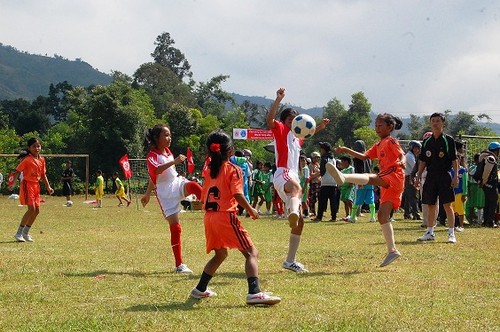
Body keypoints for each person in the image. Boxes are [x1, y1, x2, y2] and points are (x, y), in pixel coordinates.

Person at [190, 129, 281, 305]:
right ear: (231, 151)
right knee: (251, 253)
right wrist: (252, 209)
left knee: (220, 254)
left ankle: (200, 289)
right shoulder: (234, 169)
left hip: (209, 217)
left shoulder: (209, 170)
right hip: (225, 216)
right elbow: (238, 194)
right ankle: (254, 293)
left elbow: (203, 196)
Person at [326, 113, 405, 267]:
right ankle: (392, 250)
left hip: (394, 175)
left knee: (370, 177)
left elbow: (401, 155)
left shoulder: (391, 141)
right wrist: (346, 150)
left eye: (380, 125)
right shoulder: (378, 144)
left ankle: (343, 178)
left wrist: (402, 162)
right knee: (382, 215)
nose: (377, 128)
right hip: (388, 181)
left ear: (390, 127)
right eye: (375, 125)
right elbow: (364, 157)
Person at [266, 87, 329, 272]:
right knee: (296, 188)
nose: (293, 122)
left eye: (296, 120)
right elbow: (269, 120)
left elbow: (307, 134)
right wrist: (278, 99)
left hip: (293, 175)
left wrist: (320, 128)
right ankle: (291, 212)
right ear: (285, 121)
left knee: (300, 222)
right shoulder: (280, 129)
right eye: (290, 119)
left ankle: (290, 260)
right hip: (283, 173)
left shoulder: (296, 137)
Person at [141, 124, 203, 274]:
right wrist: (148, 193)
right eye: (166, 135)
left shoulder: (168, 151)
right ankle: (179, 265)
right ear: (157, 138)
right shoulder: (151, 156)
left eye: (170, 135)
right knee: (176, 228)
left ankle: (213, 209)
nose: (170, 138)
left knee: (194, 186)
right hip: (164, 193)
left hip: (176, 183)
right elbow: (155, 172)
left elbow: (164, 172)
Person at [415, 113, 459, 243]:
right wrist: (418, 176)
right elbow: (423, 161)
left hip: (444, 175)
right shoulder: (427, 141)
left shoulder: (448, 140)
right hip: (431, 176)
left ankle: (451, 233)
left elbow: (454, 159)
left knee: (447, 205)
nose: (435, 123)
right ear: (430, 123)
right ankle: (430, 232)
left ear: (443, 123)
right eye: (433, 121)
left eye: (438, 121)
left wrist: (455, 176)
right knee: (430, 205)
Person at [8, 137, 54, 242]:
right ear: (29, 148)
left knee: (37, 210)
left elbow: (43, 175)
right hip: (27, 184)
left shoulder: (42, 160)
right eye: (34, 146)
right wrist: (13, 184)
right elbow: (17, 171)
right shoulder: (27, 160)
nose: (37, 148)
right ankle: (18, 233)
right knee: (31, 209)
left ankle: (25, 233)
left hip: (36, 186)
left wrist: (48, 187)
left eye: (38, 146)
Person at [349, 140, 376, 223]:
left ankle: (353, 217)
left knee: (357, 199)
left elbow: (359, 170)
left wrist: (359, 181)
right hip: (370, 180)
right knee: (371, 199)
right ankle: (372, 217)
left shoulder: (357, 158)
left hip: (362, 180)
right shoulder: (368, 157)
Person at [312, 142, 339, 222]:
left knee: (322, 201)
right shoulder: (333, 158)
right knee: (333, 201)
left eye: (321, 148)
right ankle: (334, 217)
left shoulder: (324, 159)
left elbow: (322, 171)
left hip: (325, 182)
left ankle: (319, 217)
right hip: (333, 182)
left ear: (323, 149)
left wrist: (318, 176)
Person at [477, 142, 500, 228]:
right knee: (493, 202)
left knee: (487, 202)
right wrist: (484, 182)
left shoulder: (484, 157)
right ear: (496, 150)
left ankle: (486, 221)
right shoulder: (491, 158)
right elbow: (487, 172)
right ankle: (490, 221)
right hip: (489, 183)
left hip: (486, 183)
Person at [403, 141, 422, 220]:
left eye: (418, 148)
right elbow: (415, 167)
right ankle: (416, 214)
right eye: (415, 148)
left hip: (408, 177)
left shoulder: (411, 155)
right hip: (409, 177)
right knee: (413, 197)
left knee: (408, 197)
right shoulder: (410, 156)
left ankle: (407, 213)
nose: (417, 150)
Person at [465, 153, 485, 225]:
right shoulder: (473, 168)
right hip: (473, 187)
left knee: (480, 204)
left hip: (480, 187)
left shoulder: (482, 167)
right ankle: (471, 219)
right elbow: (471, 174)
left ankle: (479, 220)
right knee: (471, 204)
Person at [452, 155, 468, 232]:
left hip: (459, 193)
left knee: (460, 210)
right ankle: (454, 225)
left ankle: (461, 225)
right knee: (453, 209)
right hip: (452, 193)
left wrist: (464, 193)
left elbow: (464, 183)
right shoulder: (451, 170)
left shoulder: (462, 170)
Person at [339, 156, 355, 222]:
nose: (341, 163)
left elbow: (353, 176)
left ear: (346, 161)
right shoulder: (342, 171)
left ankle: (353, 214)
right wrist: (339, 185)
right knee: (345, 201)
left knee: (349, 200)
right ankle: (347, 215)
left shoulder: (351, 168)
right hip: (343, 188)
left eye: (342, 161)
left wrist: (351, 183)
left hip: (350, 187)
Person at [308, 151, 321, 218]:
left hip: (319, 183)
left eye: (318, 158)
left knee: (319, 198)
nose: (317, 159)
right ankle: (312, 211)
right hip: (313, 183)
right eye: (315, 158)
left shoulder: (318, 165)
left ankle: (319, 212)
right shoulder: (310, 166)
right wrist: (318, 173)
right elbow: (311, 175)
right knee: (313, 199)